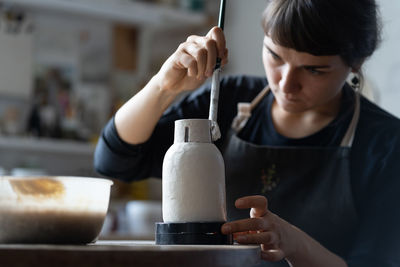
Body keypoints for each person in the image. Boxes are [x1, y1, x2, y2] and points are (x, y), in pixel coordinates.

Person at [94, 0, 400, 266]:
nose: (286, 83)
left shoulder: (385, 144)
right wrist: (163, 86)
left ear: (355, 64)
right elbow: (115, 161)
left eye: (314, 70)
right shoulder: (228, 99)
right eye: (275, 57)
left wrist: (293, 243)